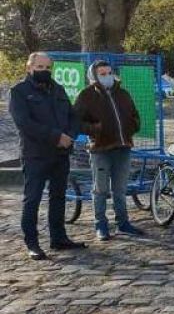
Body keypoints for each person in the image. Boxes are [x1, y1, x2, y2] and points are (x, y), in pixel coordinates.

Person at [7, 52, 85, 260]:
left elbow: (72, 115)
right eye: (40, 67)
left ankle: (59, 238)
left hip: (60, 154)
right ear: (29, 68)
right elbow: (24, 123)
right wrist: (55, 136)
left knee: (58, 197)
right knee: (32, 199)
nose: (44, 71)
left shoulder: (57, 89)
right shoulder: (19, 92)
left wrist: (70, 135)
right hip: (36, 155)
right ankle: (32, 243)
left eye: (48, 68)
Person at [73, 60, 145, 240]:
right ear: (94, 76)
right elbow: (76, 121)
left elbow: (135, 114)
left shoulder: (123, 93)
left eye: (109, 72)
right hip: (100, 149)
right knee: (101, 189)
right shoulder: (86, 95)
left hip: (124, 147)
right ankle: (101, 225)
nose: (107, 77)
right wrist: (95, 129)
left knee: (120, 189)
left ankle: (123, 223)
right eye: (102, 74)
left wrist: (133, 126)